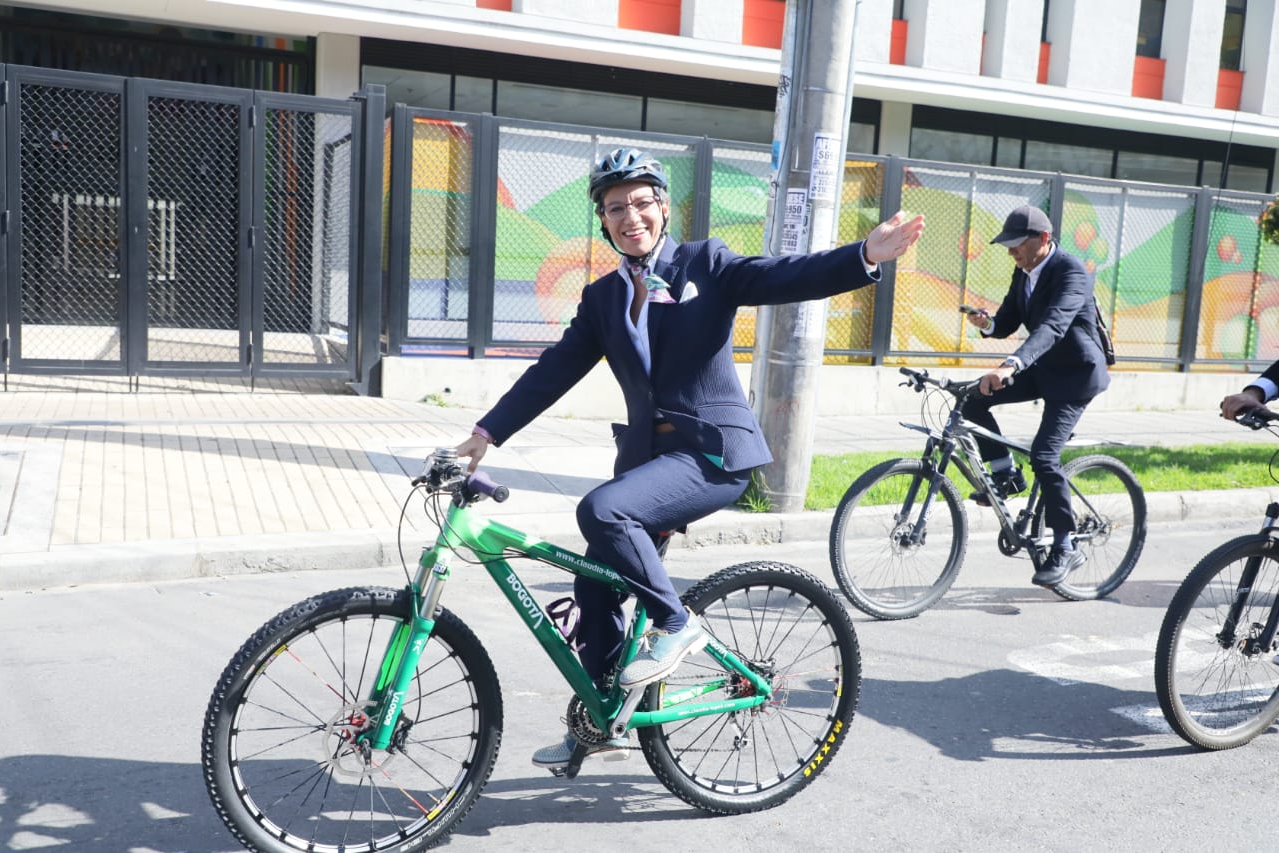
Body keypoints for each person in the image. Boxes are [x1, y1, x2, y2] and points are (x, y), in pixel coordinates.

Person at [454, 147, 925, 771]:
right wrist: (486, 432)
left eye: (641, 203)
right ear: (603, 221)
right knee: (593, 587)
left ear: (662, 208)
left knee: (603, 511)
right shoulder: (603, 298)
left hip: (713, 455)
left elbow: (784, 275)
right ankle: (604, 719)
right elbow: (555, 370)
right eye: (615, 208)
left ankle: (676, 626)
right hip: (651, 463)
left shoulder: (706, 263)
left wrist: (863, 256)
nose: (630, 217)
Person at [962, 205, 1111, 588]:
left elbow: (1053, 327)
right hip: (1042, 368)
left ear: (1043, 239)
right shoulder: (1024, 271)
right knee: (974, 398)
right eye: (1007, 245)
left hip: (1076, 377)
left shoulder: (1072, 272)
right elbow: (1009, 319)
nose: (1011, 251)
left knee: (1045, 456)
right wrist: (988, 323)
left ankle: (1065, 544)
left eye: (1017, 244)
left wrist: (1010, 365)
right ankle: (1006, 475)